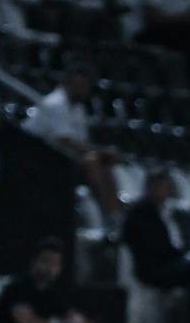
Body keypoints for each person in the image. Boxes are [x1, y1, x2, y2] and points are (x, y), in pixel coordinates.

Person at [119, 170, 190, 323]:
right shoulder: (141, 212)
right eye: (164, 187)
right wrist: (180, 255)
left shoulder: (164, 211)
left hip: (168, 261)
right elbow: (155, 248)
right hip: (152, 269)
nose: (167, 191)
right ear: (152, 187)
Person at [27, 62, 123, 225]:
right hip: (37, 156)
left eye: (85, 86)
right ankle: (106, 210)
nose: (82, 90)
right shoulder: (55, 103)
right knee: (92, 161)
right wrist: (102, 151)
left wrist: (103, 154)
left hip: (61, 157)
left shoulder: (78, 108)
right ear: (68, 83)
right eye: (78, 85)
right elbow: (66, 142)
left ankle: (115, 213)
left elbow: (82, 142)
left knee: (104, 163)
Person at [0, 237, 97, 323]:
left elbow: (72, 316)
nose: (50, 268)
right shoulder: (17, 288)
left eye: (55, 264)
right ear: (33, 262)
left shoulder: (52, 292)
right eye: (45, 262)